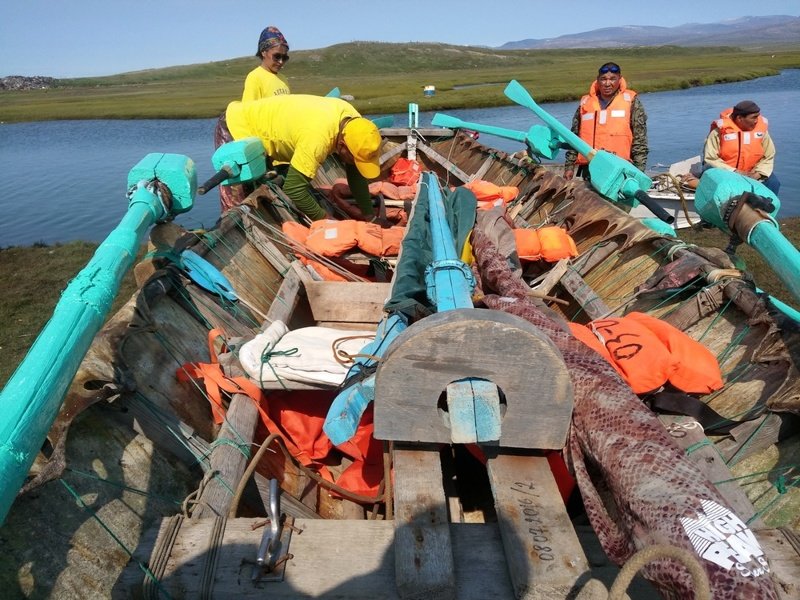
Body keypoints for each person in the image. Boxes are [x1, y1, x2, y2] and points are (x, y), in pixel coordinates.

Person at [216, 94, 381, 219]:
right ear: (343, 145)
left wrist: (369, 216)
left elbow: (355, 173)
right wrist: (325, 220)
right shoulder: (317, 139)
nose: (355, 164)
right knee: (237, 204)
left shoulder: (355, 123)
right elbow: (294, 189)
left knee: (260, 189)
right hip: (236, 127)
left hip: (269, 128)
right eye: (355, 159)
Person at [564, 62, 648, 180]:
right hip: (589, 168)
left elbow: (640, 141)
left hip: (621, 169)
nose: (607, 83)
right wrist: (569, 166)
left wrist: (639, 172)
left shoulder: (632, 102)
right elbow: (574, 137)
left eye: (613, 79)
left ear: (619, 79)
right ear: (598, 80)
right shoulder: (585, 103)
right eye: (603, 79)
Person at [702, 100, 780, 195]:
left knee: (773, 183)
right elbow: (710, 158)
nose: (757, 121)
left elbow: (769, 155)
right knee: (725, 189)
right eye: (754, 117)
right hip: (725, 172)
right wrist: (735, 172)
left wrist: (759, 173)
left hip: (752, 172)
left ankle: (764, 208)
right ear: (739, 118)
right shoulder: (719, 132)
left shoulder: (761, 132)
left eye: (758, 117)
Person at [242, 26, 291, 101]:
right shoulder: (255, 78)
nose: (281, 61)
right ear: (263, 52)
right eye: (277, 56)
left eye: (284, 58)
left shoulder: (283, 79)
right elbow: (249, 110)